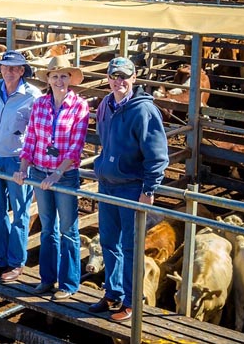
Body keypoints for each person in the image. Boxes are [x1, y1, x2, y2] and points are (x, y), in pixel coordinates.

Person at [89, 57, 168, 322]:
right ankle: (112, 292)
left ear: (134, 79)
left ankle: (132, 301)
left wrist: (149, 189)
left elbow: (157, 155)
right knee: (109, 242)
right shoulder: (106, 105)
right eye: (114, 76)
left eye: (124, 77)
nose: (118, 81)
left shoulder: (143, 111)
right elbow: (104, 139)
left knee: (130, 246)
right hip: (107, 186)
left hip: (131, 188)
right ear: (108, 78)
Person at [14, 55, 89, 301]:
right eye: (55, 76)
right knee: (48, 229)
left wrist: (58, 172)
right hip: (39, 172)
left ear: (70, 79)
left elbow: (76, 147)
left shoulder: (80, 106)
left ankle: (68, 283)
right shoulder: (40, 104)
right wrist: (23, 168)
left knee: (68, 229)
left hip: (64, 175)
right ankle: (47, 279)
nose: (59, 80)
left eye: (64, 76)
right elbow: (31, 139)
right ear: (48, 79)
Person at [0, 51, 41, 281]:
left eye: (13, 67)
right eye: (4, 67)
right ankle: (1, 259)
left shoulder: (33, 96)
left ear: (21, 71)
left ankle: (16, 262)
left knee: (20, 211)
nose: (8, 71)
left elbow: (36, 132)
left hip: (18, 159)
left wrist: (27, 163)